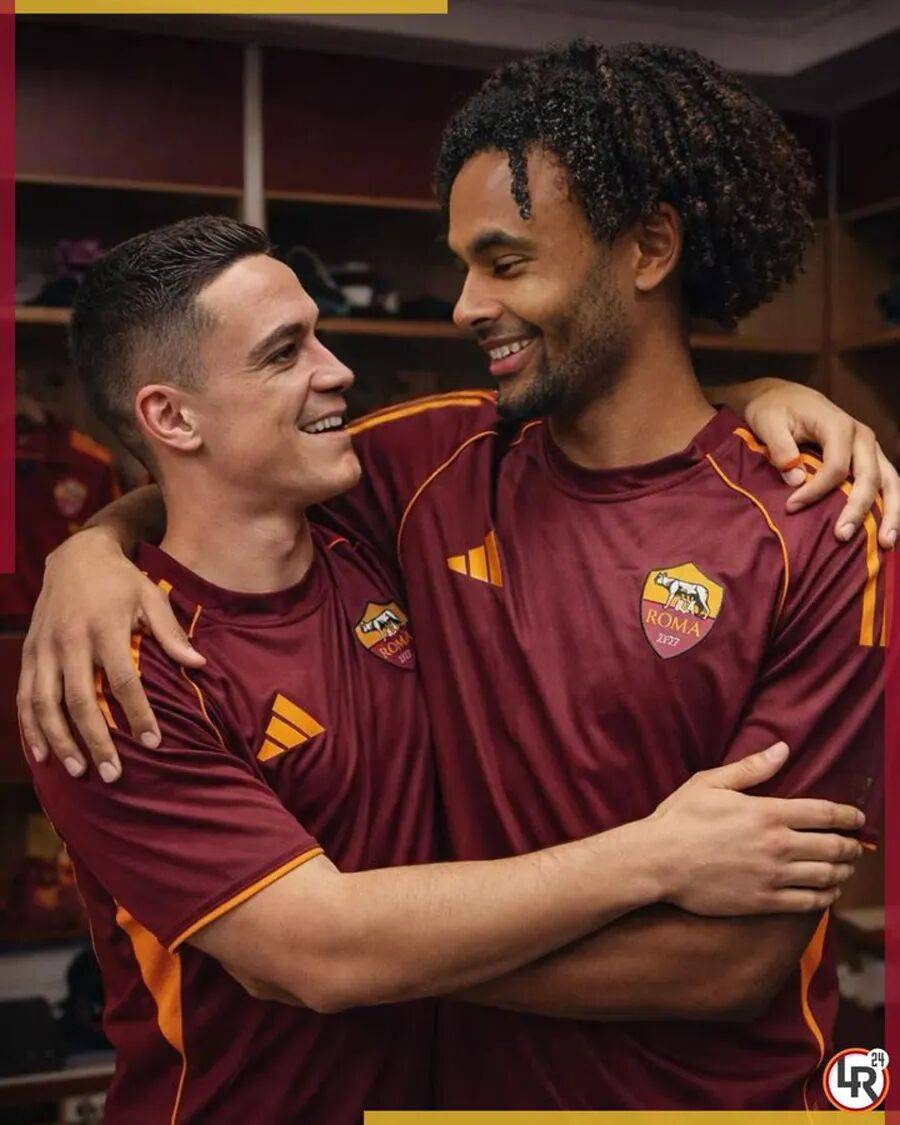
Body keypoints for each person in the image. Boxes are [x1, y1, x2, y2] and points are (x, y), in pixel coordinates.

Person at [21, 43, 891, 1111]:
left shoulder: (823, 523)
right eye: (463, 265)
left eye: (505, 262)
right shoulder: (426, 466)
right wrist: (86, 554)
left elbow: (731, 965)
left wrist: (369, 963)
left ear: (650, 248)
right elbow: (220, 480)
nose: (465, 305)